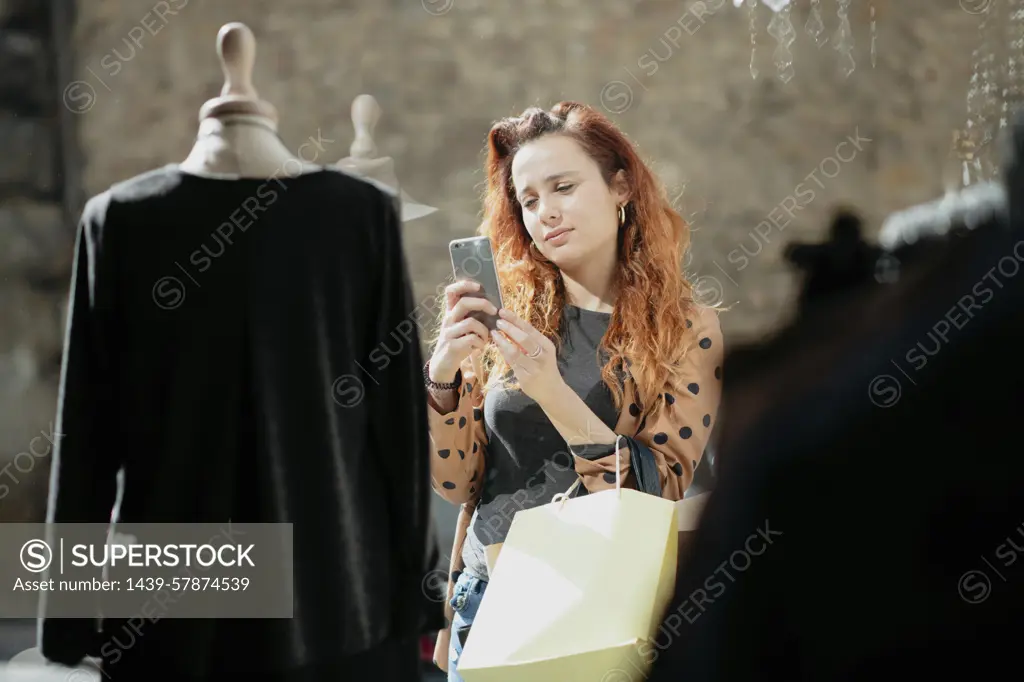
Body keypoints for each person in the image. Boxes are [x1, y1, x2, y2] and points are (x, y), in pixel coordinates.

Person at [422, 101, 725, 680]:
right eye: (529, 201)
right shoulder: (507, 317)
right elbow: (458, 482)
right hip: (487, 599)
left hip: (600, 603)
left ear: (620, 187)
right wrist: (442, 375)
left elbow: (658, 488)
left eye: (563, 187)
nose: (546, 214)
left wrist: (550, 390)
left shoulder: (687, 329)